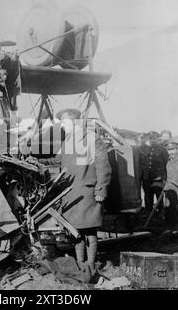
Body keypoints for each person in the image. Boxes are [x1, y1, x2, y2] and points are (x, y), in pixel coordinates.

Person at [33, 108, 112, 274]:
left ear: (76, 122)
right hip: (70, 193)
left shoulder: (93, 139)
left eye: (65, 123)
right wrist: (37, 159)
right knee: (75, 229)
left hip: (87, 191)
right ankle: (81, 263)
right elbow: (58, 159)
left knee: (89, 229)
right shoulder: (68, 141)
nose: (63, 127)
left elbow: (103, 167)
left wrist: (101, 189)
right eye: (61, 123)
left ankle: (90, 265)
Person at [139, 131, 169, 214]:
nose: (152, 140)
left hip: (158, 179)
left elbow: (166, 164)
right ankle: (148, 216)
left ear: (158, 139)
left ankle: (160, 216)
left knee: (159, 198)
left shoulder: (162, 150)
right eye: (150, 138)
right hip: (146, 179)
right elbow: (141, 164)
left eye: (154, 138)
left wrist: (165, 179)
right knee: (148, 198)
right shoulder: (143, 149)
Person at [163, 140, 178, 233]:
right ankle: (171, 228)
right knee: (169, 209)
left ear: (176, 149)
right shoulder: (169, 160)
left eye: (173, 149)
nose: (171, 152)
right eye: (169, 150)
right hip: (169, 189)